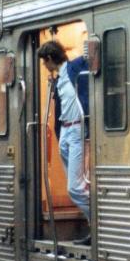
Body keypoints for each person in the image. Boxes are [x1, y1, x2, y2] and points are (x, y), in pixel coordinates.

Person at [38, 40, 91, 245]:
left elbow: (90, 58)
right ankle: (93, 228)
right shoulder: (58, 79)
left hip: (77, 128)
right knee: (80, 185)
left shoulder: (74, 67)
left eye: (45, 62)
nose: (44, 67)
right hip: (66, 131)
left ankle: (98, 223)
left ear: (50, 59)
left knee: (75, 188)